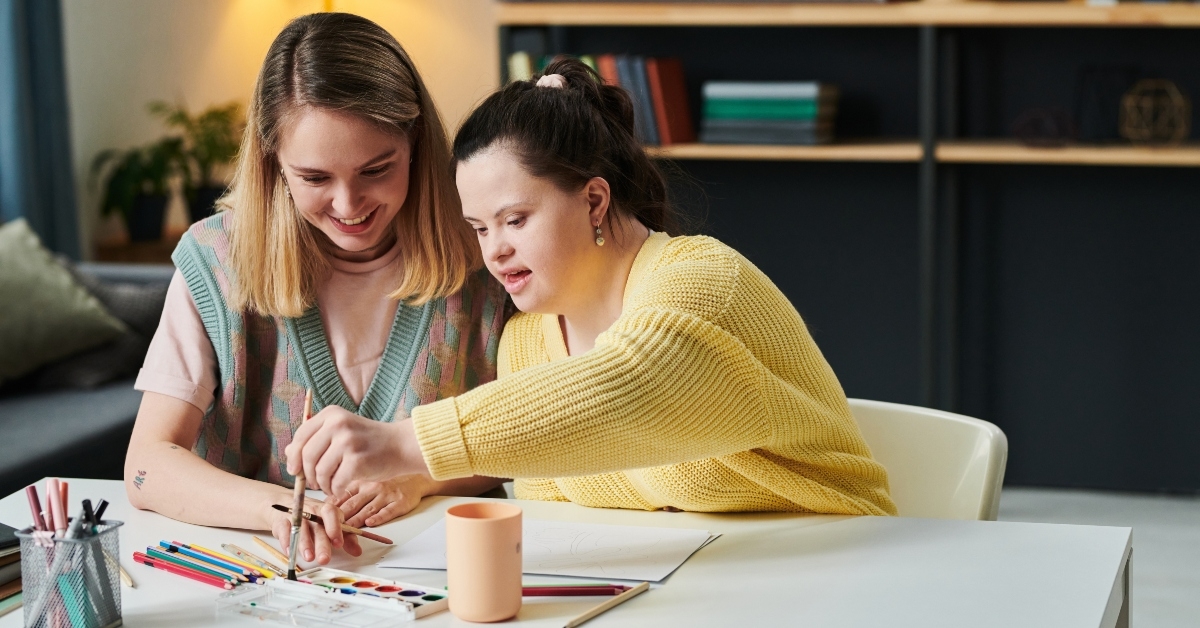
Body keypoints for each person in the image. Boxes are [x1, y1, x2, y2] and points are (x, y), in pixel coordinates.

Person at [286, 57, 896, 516]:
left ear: (595, 199)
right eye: (479, 227)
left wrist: (407, 443)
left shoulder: (701, 280)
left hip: (848, 569)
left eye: (515, 220)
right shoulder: (525, 344)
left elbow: (632, 386)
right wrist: (416, 482)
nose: (493, 249)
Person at [123, 13, 509, 566]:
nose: (350, 207)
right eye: (315, 178)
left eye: (377, 169)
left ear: (417, 143)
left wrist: (422, 478)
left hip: (444, 573)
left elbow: (539, 433)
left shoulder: (486, 252)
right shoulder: (216, 261)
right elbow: (146, 466)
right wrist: (278, 509)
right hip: (259, 578)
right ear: (273, 163)